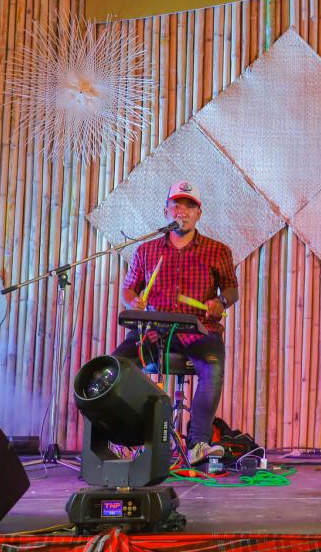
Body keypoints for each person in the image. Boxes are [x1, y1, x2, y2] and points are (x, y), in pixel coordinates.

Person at [113, 180, 239, 465]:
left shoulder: (218, 250)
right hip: (154, 330)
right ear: (166, 211)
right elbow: (129, 289)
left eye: (190, 206)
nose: (183, 211)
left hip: (199, 330)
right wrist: (134, 301)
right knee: (117, 367)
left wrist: (221, 302)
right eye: (176, 205)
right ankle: (127, 440)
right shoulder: (146, 251)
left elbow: (232, 290)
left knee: (213, 368)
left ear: (199, 213)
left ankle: (198, 444)